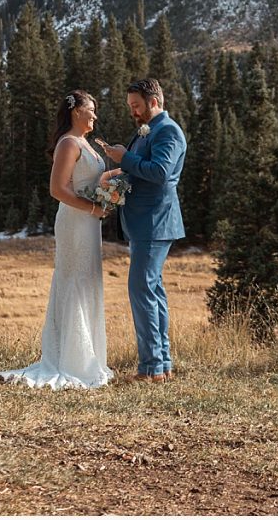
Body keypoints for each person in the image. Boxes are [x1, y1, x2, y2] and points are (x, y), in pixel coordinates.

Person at [0, 89, 114, 389]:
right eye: (91, 110)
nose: (95, 116)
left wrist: (112, 188)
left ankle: (90, 358)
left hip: (89, 221)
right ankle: (72, 361)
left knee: (88, 280)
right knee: (73, 279)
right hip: (75, 221)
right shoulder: (68, 143)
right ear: (76, 112)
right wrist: (92, 207)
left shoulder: (87, 143)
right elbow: (58, 189)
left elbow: (90, 180)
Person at [97, 77, 186, 382]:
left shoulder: (168, 131)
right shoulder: (148, 131)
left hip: (154, 221)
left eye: (136, 106)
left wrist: (125, 157)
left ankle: (151, 368)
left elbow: (160, 172)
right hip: (144, 221)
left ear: (154, 102)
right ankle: (161, 364)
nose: (133, 112)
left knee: (141, 290)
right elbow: (141, 170)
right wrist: (118, 173)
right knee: (152, 290)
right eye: (130, 106)